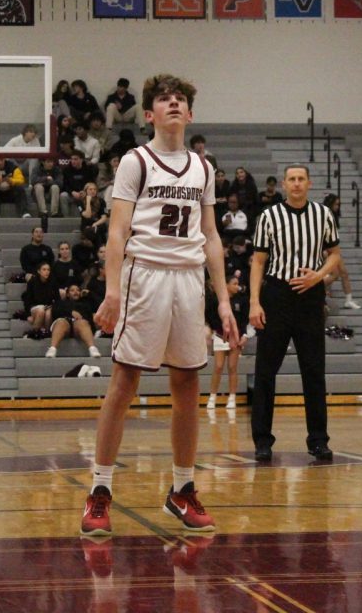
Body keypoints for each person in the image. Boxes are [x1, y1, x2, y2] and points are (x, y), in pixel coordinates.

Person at [82, 73, 239, 537]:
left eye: (180, 100)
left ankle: (182, 488)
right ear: (149, 114)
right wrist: (112, 290)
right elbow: (116, 231)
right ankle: (99, 490)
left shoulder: (204, 169)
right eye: (164, 100)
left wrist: (224, 301)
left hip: (189, 280)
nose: (173, 104)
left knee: (187, 383)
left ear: (190, 114)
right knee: (124, 381)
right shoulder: (136, 161)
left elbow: (211, 236)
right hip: (144, 276)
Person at [249, 164, 342, 463]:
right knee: (266, 371)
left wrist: (319, 276)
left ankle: (318, 441)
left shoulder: (323, 215)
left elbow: (335, 257)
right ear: (284, 185)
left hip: (311, 297)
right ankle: (262, 441)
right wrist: (254, 302)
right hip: (277, 295)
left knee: (314, 371)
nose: (297, 184)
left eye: (302, 179)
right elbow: (259, 262)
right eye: (292, 179)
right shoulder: (269, 216)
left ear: (309, 183)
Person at [206, 275, 248, 411]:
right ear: (226, 285)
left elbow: (243, 320)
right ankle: (212, 397)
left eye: (238, 284)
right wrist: (215, 330)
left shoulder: (241, 300)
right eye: (234, 284)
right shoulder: (215, 300)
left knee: (232, 367)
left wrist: (244, 335)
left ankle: (232, 398)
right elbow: (210, 316)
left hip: (235, 337)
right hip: (219, 335)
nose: (238, 286)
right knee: (218, 366)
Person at [323, 194, 360, 309]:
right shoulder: (325, 216)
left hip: (333, 249)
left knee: (344, 273)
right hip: (326, 249)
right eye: (336, 204)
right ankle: (315, 289)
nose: (338, 207)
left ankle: (348, 299)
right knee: (334, 275)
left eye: (339, 204)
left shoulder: (333, 216)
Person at [47, 284, 101, 359]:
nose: (76, 292)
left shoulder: (86, 303)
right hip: (65, 324)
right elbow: (55, 311)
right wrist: (70, 312)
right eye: (72, 290)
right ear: (68, 294)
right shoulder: (61, 303)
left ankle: (92, 348)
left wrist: (89, 294)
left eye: (78, 290)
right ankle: (52, 348)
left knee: (82, 322)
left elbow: (100, 305)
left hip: (80, 327)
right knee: (61, 322)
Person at [20, 261, 57, 339]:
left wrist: (52, 306)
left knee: (48, 314)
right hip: (35, 306)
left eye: (48, 270)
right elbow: (28, 300)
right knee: (41, 310)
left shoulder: (53, 282)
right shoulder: (32, 282)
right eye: (44, 269)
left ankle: (46, 334)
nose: (47, 272)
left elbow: (58, 298)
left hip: (48, 307)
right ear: (38, 271)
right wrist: (28, 315)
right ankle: (33, 333)